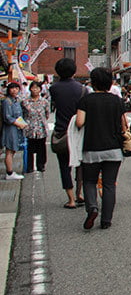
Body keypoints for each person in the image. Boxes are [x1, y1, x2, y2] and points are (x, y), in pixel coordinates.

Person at [75, 68, 127, 230]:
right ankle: (106, 220)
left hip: (91, 147)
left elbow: (79, 122)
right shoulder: (117, 101)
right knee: (109, 184)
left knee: (89, 181)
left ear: (92, 82)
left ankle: (92, 208)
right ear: (110, 83)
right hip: (114, 149)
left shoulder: (86, 100)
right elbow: (124, 126)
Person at [50, 58, 85, 207]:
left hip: (61, 132)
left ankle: (70, 199)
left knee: (64, 166)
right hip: (78, 132)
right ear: (74, 71)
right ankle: (80, 194)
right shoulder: (82, 89)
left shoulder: (54, 88)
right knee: (80, 165)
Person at [22, 81, 49, 174]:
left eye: (37, 88)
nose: (35, 90)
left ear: (40, 90)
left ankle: (41, 165)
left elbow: (47, 114)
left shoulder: (44, 101)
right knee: (30, 148)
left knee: (41, 148)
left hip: (41, 128)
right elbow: (23, 113)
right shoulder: (25, 101)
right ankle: (29, 167)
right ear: (30, 89)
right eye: (33, 88)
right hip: (30, 128)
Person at [2, 82, 26, 180]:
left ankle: (10, 171)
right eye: (12, 88)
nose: (14, 90)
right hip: (10, 128)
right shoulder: (7, 101)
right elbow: (7, 117)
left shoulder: (16, 100)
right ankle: (9, 172)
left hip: (16, 128)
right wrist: (17, 123)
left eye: (16, 88)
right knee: (9, 150)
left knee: (13, 149)